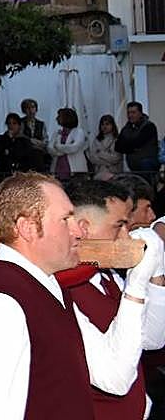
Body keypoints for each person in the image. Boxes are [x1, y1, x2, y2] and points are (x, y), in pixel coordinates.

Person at [0, 172, 161, 420]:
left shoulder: (49, 287)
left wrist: (136, 285)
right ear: (28, 228)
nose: (78, 231)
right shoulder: (0, 305)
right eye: (65, 219)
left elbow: (116, 376)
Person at [66, 179, 165, 419]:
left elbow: (153, 338)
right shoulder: (61, 288)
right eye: (119, 226)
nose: (126, 235)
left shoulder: (107, 275)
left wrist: (156, 273)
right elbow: (116, 380)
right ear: (84, 228)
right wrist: (136, 284)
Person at [116, 103, 159, 181]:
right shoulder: (126, 128)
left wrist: (127, 146)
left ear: (140, 113)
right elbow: (118, 147)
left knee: (148, 189)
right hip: (133, 167)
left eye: (133, 112)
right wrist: (132, 148)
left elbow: (138, 143)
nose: (130, 115)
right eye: (128, 113)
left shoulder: (149, 126)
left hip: (147, 166)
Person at [0, 112, 36, 181]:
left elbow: (24, 155)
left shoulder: (24, 140)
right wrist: (9, 140)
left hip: (21, 173)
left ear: (19, 125)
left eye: (14, 123)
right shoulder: (0, 138)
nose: (11, 126)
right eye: (9, 123)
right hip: (4, 173)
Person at [49, 107, 89, 179]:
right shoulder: (57, 132)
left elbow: (74, 148)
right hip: (58, 167)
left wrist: (57, 146)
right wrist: (62, 151)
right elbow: (50, 148)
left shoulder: (79, 132)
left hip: (76, 168)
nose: (57, 118)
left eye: (59, 116)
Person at [88, 114, 124, 179]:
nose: (104, 126)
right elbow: (92, 158)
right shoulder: (96, 140)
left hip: (114, 173)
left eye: (107, 124)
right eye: (102, 124)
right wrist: (107, 160)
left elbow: (116, 158)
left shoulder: (117, 139)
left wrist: (100, 153)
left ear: (112, 125)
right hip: (98, 173)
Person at [21, 99, 49, 168]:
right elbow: (20, 137)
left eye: (33, 107)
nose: (30, 110)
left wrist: (39, 144)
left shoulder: (41, 124)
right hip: (24, 154)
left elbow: (45, 140)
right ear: (24, 110)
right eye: (28, 108)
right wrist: (31, 141)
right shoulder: (20, 122)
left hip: (38, 154)